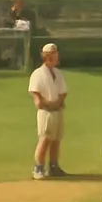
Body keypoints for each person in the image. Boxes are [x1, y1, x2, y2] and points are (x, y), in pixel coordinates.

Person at [28, 42, 67, 179]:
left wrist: (58, 103)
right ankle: (38, 168)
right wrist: (51, 105)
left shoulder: (58, 73)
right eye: (54, 54)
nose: (57, 56)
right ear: (47, 56)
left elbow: (63, 93)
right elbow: (37, 97)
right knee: (45, 139)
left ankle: (53, 166)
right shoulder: (38, 74)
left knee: (56, 140)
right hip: (46, 113)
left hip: (57, 112)